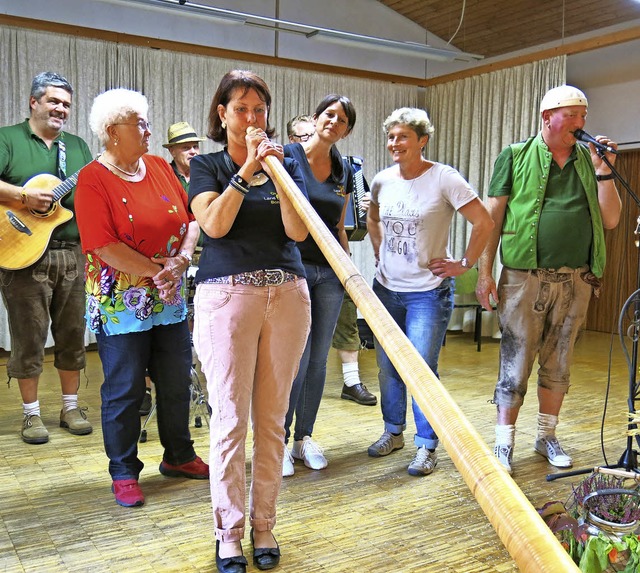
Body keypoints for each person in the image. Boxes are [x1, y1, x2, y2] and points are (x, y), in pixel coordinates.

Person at [189, 70, 311, 573]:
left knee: (272, 420)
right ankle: (228, 532)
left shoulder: (289, 162)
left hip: (286, 294)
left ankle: (265, 524)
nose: (252, 118)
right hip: (227, 296)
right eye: (241, 109)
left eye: (259, 109)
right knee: (230, 420)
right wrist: (246, 172)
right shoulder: (206, 164)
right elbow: (213, 224)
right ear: (223, 114)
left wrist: (277, 174)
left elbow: (297, 230)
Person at [476, 85, 621, 475]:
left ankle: (546, 435)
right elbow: (493, 217)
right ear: (547, 118)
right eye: (572, 115)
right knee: (516, 359)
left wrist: (604, 169)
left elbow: (611, 219)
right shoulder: (514, 155)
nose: (580, 123)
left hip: (577, 280)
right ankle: (503, 441)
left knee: (560, 362)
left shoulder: (590, 163)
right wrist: (485, 271)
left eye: (583, 116)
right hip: (524, 277)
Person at [75, 88, 208, 508]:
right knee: (125, 388)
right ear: (113, 131)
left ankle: (179, 455)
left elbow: (190, 219)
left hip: (167, 295)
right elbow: (102, 245)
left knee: (175, 381)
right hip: (121, 301)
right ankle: (123, 470)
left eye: (147, 121)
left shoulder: (156, 166)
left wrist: (182, 259)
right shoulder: (92, 179)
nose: (148, 130)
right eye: (141, 123)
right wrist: (159, 272)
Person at [367, 107, 494, 476]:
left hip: (427, 292)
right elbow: (373, 218)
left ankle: (427, 446)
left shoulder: (444, 178)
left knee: (421, 370)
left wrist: (465, 264)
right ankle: (393, 432)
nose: (395, 143)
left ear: (422, 140)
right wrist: (379, 249)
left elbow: (483, 221)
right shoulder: (383, 179)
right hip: (387, 289)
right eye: (391, 137)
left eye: (403, 136)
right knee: (388, 368)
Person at [0, 71, 93, 444]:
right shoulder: (8, 138)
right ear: (34, 102)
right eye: (54, 101)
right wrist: (23, 197)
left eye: (67, 104)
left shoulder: (79, 146)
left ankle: (70, 406)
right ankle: (30, 414)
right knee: (29, 336)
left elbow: (88, 194)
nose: (61, 109)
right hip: (22, 255)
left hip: (71, 253)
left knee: (72, 334)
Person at [282, 95, 357, 477]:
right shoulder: (286, 156)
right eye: (329, 114)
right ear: (315, 118)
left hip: (328, 274)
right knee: (292, 359)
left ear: (346, 129)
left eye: (342, 120)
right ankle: (278, 439)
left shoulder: (343, 170)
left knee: (316, 359)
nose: (334, 122)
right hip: (291, 269)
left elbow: (339, 226)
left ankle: (303, 438)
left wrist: (348, 272)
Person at [288, 115, 377, 409]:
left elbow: (346, 226)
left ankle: (351, 381)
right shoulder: (287, 168)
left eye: (312, 135)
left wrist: (363, 210)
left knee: (346, 319)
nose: (311, 141)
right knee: (298, 347)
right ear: (292, 142)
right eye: (303, 137)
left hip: (332, 265)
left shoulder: (340, 170)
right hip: (296, 266)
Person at [135, 121, 206, 417]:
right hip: (169, 259)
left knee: (196, 324)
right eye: (185, 147)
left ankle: (193, 383)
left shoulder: (205, 173)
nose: (192, 151)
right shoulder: (162, 174)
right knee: (154, 323)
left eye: (195, 146)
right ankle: (148, 390)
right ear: (173, 150)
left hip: (204, 257)